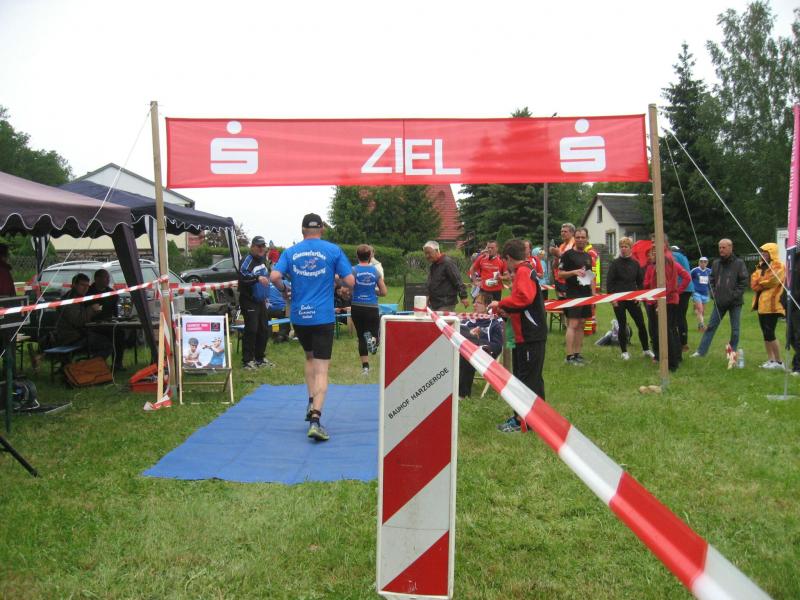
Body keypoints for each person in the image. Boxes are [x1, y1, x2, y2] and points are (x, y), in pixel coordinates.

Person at [271, 213, 354, 442]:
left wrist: (284, 290)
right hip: (322, 316)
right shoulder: (333, 250)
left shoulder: (291, 251)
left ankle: (310, 401)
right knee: (322, 369)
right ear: (322, 230)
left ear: (302, 230)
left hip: (300, 317)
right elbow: (350, 281)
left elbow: (275, 275)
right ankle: (316, 420)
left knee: (309, 357)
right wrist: (336, 280)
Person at [489, 239, 547, 433]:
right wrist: (508, 311)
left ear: (508, 258)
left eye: (504, 261)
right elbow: (524, 304)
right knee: (533, 377)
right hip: (530, 334)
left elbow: (523, 298)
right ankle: (539, 419)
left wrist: (500, 304)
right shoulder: (527, 269)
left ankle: (522, 420)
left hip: (529, 335)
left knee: (525, 379)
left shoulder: (522, 271)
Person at [692, 239, 749, 359]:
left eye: (723, 247)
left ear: (730, 248)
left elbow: (744, 281)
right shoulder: (716, 263)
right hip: (719, 302)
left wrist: (733, 296)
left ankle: (732, 354)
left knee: (735, 330)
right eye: (720, 248)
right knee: (711, 327)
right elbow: (711, 280)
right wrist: (713, 294)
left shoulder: (739, 263)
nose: (721, 250)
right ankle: (701, 352)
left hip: (735, 303)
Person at [643, 243, 690, 371]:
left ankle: (672, 363)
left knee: (667, 332)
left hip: (667, 301)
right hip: (666, 300)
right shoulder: (660, 264)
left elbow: (670, 283)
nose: (652, 253)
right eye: (651, 251)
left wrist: (674, 293)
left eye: (654, 250)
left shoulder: (666, 262)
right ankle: (675, 358)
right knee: (671, 330)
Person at [605, 237, 650, 360]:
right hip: (618, 299)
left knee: (641, 324)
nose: (623, 249)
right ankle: (624, 352)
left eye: (626, 247)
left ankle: (646, 349)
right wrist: (612, 299)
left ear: (630, 248)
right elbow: (609, 282)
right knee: (622, 324)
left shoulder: (635, 263)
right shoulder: (615, 263)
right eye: (621, 247)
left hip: (633, 298)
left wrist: (639, 296)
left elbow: (640, 282)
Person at [558, 227, 594, 365]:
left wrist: (593, 295)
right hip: (573, 293)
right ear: (574, 238)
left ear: (587, 239)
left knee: (582, 323)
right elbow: (560, 274)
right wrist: (574, 272)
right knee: (573, 324)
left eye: (583, 237)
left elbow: (590, 276)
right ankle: (569, 356)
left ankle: (577, 354)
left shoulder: (588, 256)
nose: (580, 240)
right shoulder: (567, 255)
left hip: (586, 294)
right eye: (577, 237)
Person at [458, 293, 503, 399]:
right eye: (474, 302)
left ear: (487, 306)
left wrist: (480, 337)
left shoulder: (494, 323)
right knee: (461, 331)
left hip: (484, 354)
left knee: (468, 352)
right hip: (464, 350)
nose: (475, 305)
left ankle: (462, 394)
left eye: (479, 303)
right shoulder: (466, 321)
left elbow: (498, 346)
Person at [351, 244, 388, 376]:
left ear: (357, 256)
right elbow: (384, 292)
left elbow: (346, 289)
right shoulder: (375, 271)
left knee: (361, 336)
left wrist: (349, 292)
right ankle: (373, 340)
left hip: (357, 306)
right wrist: (373, 291)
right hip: (371, 307)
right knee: (374, 334)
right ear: (370, 256)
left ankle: (365, 368)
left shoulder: (353, 270)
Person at [239, 235, 273, 369]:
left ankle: (260, 358)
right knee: (251, 329)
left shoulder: (263, 259)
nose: (261, 249)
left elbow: (267, 274)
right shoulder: (247, 260)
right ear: (252, 247)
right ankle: (247, 360)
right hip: (249, 299)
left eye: (263, 246)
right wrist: (257, 278)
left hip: (261, 300)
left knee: (264, 329)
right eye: (259, 246)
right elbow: (242, 277)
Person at [750, 243, 785, 369]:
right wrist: (761, 282)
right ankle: (771, 360)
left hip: (773, 305)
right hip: (761, 305)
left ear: (772, 253)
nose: (763, 254)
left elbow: (773, 280)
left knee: (770, 333)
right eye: (762, 252)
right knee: (765, 333)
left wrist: (760, 282)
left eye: (765, 252)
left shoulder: (779, 266)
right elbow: (753, 282)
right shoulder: (760, 266)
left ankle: (779, 362)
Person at [86, 268, 127, 369]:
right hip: (92, 326)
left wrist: (118, 318)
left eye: (108, 278)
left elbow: (115, 312)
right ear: (97, 279)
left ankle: (117, 363)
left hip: (108, 323)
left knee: (120, 333)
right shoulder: (88, 293)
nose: (108, 280)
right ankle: (96, 365)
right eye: (105, 278)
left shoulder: (112, 293)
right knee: (106, 340)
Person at [423, 240, 469, 312]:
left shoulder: (448, 263)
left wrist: (464, 297)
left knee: (441, 319)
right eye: (425, 253)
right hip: (435, 303)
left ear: (436, 251)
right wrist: (427, 297)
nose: (427, 256)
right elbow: (430, 283)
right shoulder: (433, 265)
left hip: (446, 303)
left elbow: (457, 280)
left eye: (429, 253)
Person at [670, 246, 694, 351]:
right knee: (681, 316)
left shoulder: (674, 256)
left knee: (678, 317)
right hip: (688, 288)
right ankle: (682, 341)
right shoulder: (683, 256)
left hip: (682, 288)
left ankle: (682, 343)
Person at [549, 222, 576, 297]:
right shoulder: (561, 246)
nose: (563, 233)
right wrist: (556, 256)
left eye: (565, 231)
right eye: (562, 231)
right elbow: (554, 266)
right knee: (561, 303)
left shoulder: (575, 245)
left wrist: (559, 255)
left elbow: (574, 262)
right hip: (559, 281)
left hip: (569, 282)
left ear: (572, 233)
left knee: (570, 303)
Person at [691, 257, 712, 331]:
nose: (703, 263)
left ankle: (700, 326)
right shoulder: (694, 270)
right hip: (696, 293)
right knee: (700, 309)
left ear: (707, 263)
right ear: (699, 262)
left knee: (702, 311)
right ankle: (703, 326)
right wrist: (691, 290)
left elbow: (711, 281)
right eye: (701, 261)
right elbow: (689, 278)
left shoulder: (709, 271)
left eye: (705, 262)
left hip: (705, 293)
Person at [267, 279, 291, 343]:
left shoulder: (267, 282)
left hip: (269, 308)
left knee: (268, 321)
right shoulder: (285, 282)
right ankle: (281, 335)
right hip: (281, 308)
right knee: (285, 321)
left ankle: (270, 335)